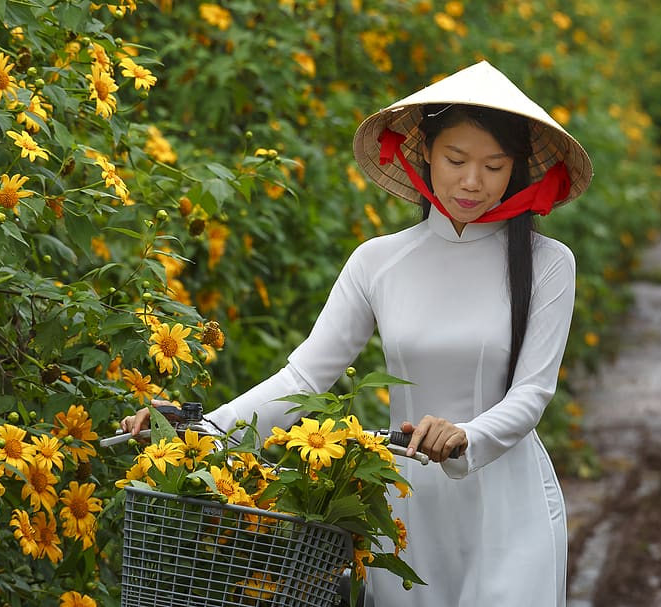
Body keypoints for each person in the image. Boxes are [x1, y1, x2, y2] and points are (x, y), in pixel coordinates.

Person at [121, 60, 593, 606]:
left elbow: (532, 394)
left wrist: (466, 434)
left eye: (494, 166)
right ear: (426, 156)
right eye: (456, 159)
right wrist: (198, 431)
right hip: (406, 515)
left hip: (511, 510)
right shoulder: (379, 262)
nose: (472, 181)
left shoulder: (548, 263)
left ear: (516, 171)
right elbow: (304, 376)